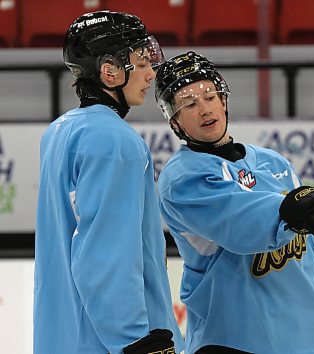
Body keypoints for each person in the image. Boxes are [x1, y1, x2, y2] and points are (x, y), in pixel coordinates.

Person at [154, 50, 314, 354]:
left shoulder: (271, 160)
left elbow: (310, 253)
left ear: (224, 101)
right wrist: (294, 206)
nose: (204, 109)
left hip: (303, 342)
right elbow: (242, 226)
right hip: (232, 342)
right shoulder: (181, 178)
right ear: (174, 122)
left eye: (210, 96)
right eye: (189, 104)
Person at [34, 11, 183, 354]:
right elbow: (106, 253)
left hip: (61, 337)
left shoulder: (58, 131)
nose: (151, 73)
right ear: (110, 70)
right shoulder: (116, 142)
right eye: (142, 62)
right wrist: (132, 338)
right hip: (110, 342)